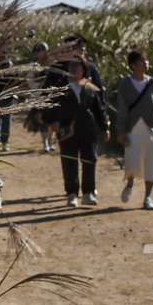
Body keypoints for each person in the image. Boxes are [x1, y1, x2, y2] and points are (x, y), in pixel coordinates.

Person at [47, 56, 109, 206]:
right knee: (69, 161)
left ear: (84, 69)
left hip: (88, 129)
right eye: (71, 66)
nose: (73, 69)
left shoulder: (90, 87)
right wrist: (53, 121)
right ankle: (72, 194)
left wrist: (105, 128)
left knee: (89, 160)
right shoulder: (61, 86)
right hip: (67, 130)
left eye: (77, 66)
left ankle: (88, 193)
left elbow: (99, 109)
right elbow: (51, 105)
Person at [115, 49, 153, 210]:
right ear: (132, 65)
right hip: (133, 129)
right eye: (141, 61)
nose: (145, 63)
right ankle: (130, 184)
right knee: (132, 162)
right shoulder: (125, 84)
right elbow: (122, 108)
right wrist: (121, 131)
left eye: (146, 60)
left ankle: (148, 197)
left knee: (152, 164)